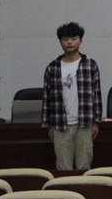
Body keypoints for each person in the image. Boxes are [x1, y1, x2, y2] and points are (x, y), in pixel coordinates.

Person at [41, 22, 102, 170]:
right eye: (65, 39)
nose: (69, 42)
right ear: (60, 42)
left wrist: (96, 121)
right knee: (63, 167)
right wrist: (48, 125)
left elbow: (97, 94)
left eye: (74, 39)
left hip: (85, 123)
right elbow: (47, 98)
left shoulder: (90, 64)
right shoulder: (52, 67)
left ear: (80, 41)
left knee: (84, 165)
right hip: (60, 124)